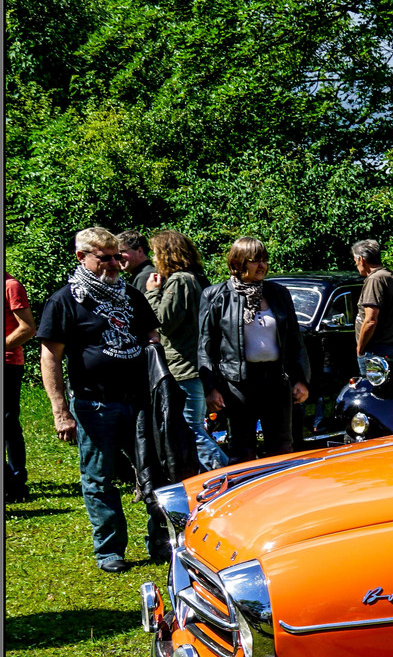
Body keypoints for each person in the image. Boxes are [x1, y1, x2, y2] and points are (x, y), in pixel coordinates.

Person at [36, 226, 165, 571]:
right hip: (95, 404)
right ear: (81, 257)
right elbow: (50, 357)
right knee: (99, 479)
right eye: (104, 258)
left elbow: (152, 336)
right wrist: (60, 410)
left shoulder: (130, 295)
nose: (114, 265)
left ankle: (160, 542)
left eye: (117, 258)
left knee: (155, 472)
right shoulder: (65, 300)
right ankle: (110, 550)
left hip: (139, 401)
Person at [200, 237, 309, 462]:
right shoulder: (216, 295)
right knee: (242, 448)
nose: (262, 266)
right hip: (237, 382)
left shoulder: (278, 293)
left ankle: (282, 493)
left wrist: (301, 379)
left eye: (265, 260)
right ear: (238, 263)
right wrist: (210, 388)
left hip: (277, 380)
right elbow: (205, 345)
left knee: (281, 446)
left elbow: (295, 340)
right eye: (254, 261)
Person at [144, 230, 228, 472]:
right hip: (197, 362)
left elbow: (163, 320)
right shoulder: (197, 278)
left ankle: (230, 476)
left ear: (166, 254)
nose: (154, 259)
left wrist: (152, 292)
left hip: (185, 365)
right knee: (195, 425)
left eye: (155, 253)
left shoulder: (180, 281)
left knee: (191, 428)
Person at [351, 238, 393, 366]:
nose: (356, 265)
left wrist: (360, 349)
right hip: (392, 348)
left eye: (355, 261)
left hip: (375, 351)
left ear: (361, 259)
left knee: (370, 385)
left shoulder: (375, 280)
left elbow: (370, 320)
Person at [5, 271, 36, 500]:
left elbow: (27, 328)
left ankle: (16, 479)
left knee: (7, 421)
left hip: (8, 363)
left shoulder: (11, 285)